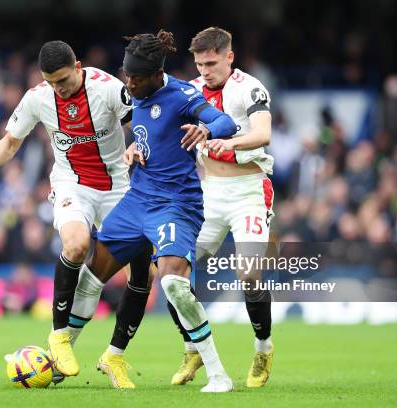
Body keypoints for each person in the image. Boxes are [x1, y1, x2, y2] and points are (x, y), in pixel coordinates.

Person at [60, 30, 237, 392]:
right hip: (138, 199)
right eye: (127, 75)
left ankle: (219, 374)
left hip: (175, 204)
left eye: (136, 79)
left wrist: (205, 128)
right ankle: (62, 359)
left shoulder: (183, 95)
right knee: (92, 275)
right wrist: (132, 150)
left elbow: (225, 123)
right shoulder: (134, 90)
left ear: (157, 75)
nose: (129, 84)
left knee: (173, 283)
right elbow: (147, 134)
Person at [0, 40, 150, 377]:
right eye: (51, 82)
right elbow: (10, 141)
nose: (59, 90)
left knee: (143, 274)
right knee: (77, 245)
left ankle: (114, 355)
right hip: (72, 185)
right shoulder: (38, 97)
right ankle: (60, 334)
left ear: (78, 68)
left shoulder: (108, 88)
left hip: (119, 187)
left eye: (63, 81)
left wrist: (137, 143)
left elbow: (143, 123)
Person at [167, 27, 275, 388]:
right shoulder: (192, 90)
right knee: (171, 270)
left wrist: (226, 144)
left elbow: (262, 134)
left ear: (230, 57)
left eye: (211, 63)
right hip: (209, 192)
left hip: (248, 190)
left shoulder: (250, 87)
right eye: (199, 64)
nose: (205, 71)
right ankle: (193, 348)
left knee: (248, 275)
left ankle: (263, 347)